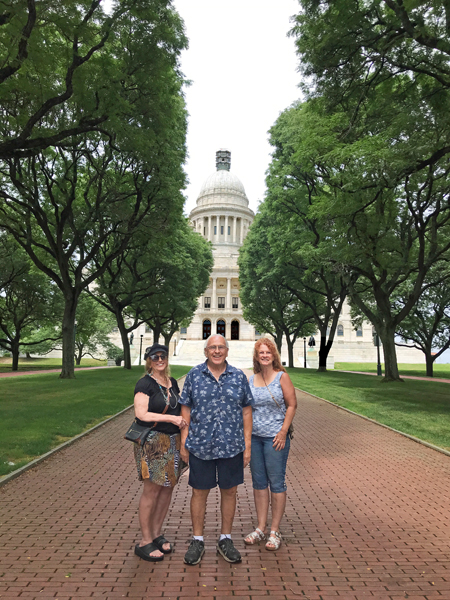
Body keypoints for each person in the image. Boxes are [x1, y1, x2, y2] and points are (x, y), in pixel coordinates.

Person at [179, 334, 253, 565]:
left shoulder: (239, 376)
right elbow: (186, 409)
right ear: (206, 351)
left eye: (221, 347)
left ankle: (225, 538)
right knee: (199, 492)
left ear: (227, 351)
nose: (217, 351)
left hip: (232, 446)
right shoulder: (194, 375)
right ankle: (197, 539)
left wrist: (247, 446)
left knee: (229, 491)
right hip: (200, 445)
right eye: (213, 348)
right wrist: (184, 443)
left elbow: (247, 411)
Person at [133, 343, 188, 562]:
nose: (159, 360)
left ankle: (156, 533)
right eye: (154, 357)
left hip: (173, 441)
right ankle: (145, 540)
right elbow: (141, 414)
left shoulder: (171, 382)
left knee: (167, 489)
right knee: (152, 490)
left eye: (162, 356)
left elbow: (181, 408)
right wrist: (171, 419)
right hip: (153, 442)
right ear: (148, 360)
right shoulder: (144, 383)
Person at [244, 337, 297, 551]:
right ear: (256, 357)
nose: (264, 355)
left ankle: (275, 530)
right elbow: (248, 410)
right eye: (261, 353)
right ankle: (260, 527)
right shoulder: (251, 379)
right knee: (258, 484)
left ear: (274, 355)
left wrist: (283, 431)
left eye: (268, 352)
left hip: (276, 438)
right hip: (256, 438)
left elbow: (292, 405)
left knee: (276, 483)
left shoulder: (282, 377)